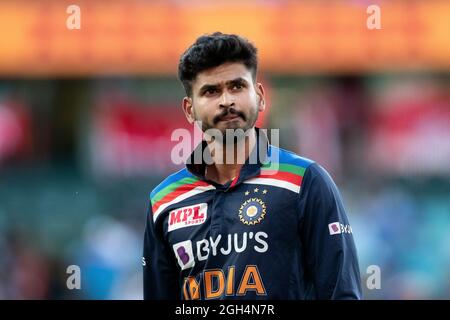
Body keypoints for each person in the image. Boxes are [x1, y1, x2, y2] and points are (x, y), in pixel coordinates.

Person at [143, 32, 362, 300]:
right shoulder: (164, 201)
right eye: (211, 91)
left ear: (259, 96)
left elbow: (341, 294)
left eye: (237, 86)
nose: (226, 101)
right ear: (190, 109)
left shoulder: (305, 181)